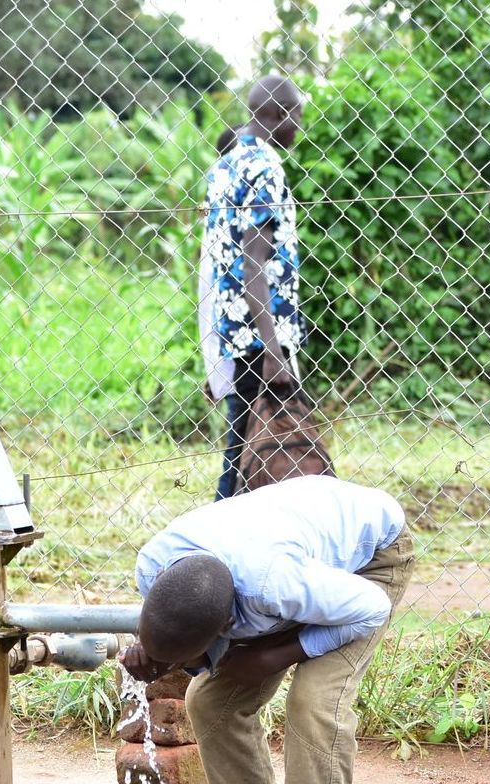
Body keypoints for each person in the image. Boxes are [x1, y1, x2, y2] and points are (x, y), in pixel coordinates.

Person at [120, 476, 412, 784]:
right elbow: (179, 630)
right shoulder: (154, 567)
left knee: (314, 704)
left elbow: (371, 609)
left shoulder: (274, 586)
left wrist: (278, 654)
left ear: (226, 627)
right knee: (211, 701)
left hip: (368, 567)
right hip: (293, 559)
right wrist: (157, 656)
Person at [198, 75, 306, 500]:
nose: (300, 125)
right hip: (261, 335)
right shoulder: (265, 168)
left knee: (246, 444)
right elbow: (251, 261)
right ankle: (216, 544)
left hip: (235, 329)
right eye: (296, 114)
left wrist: (214, 348)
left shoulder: (226, 164)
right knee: (252, 452)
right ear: (278, 114)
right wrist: (274, 350)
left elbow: (213, 258)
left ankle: (225, 539)